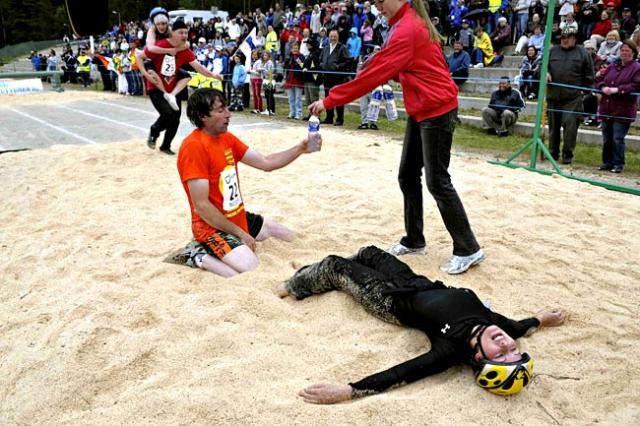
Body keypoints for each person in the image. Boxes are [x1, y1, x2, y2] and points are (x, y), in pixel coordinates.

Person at [310, 0, 484, 275]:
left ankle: (468, 247)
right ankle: (414, 239)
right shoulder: (403, 23)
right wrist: (370, 67)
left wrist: (330, 100)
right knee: (407, 175)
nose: (378, 7)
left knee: (437, 181)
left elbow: (376, 74)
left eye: (381, 1)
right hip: (422, 110)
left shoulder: (407, 28)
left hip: (436, 110)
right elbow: (386, 60)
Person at [276, 246, 566, 404]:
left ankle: (292, 286)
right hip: (417, 283)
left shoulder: (449, 350)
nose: (505, 344)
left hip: (388, 300)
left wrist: (350, 390)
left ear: (479, 357)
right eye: (512, 350)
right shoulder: (497, 326)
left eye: (499, 355)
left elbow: (404, 373)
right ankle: (317, 275)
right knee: (368, 253)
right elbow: (520, 326)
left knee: (334, 265)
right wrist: (541, 319)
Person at [177, 89, 321, 277]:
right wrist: (241, 234)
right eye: (221, 110)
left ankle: (228, 246)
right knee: (252, 272)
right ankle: (199, 255)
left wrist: (301, 149)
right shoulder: (193, 147)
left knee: (290, 237)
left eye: (227, 108)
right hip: (211, 227)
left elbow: (266, 162)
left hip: (236, 217)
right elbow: (202, 207)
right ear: (203, 116)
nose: (229, 114)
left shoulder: (226, 139)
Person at [137, 19, 222, 155]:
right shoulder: (160, 45)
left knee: (175, 118)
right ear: (172, 33)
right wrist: (146, 74)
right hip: (156, 87)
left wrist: (213, 75)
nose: (184, 35)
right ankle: (155, 130)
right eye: (181, 32)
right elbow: (139, 57)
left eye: (186, 32)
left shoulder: (185, 50)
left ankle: (166, 145)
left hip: (173, 89)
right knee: (168, 114)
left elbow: (199, 67)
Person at [547, 27, 594, 164]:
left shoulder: (583, 53)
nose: (565, 40)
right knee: (553, 128)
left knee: (570, 128)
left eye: (568, 37)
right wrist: (545, 73)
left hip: (572, 99)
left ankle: (567, 156)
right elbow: (542, 67)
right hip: (553, 96)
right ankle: (552, 153)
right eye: (562, 38)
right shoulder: (552, 51)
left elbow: (589, 75)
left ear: (575, 38)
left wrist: (583, 92)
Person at [594, 40, 640, 173]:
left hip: (622, 109)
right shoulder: (612, 66)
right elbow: (598, 79)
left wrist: (617, 90)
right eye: (623, 50)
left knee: (617, 138)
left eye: (627, 50)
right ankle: (606, 162)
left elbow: (636, 85)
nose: (624, 53)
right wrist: (603, 87)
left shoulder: (637, 68)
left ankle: (618, 163)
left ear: (633, 53)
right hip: (606, 107)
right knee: (606, 137)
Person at [318, 29, 352, 126]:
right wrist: (322, 65)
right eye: (331, 36)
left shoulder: (342, 48)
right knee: (328, 97)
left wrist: (337, 66)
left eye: (334, 36)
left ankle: (340, 119)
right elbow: (320, 58)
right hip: (327, 77)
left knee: (338, 98)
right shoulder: (326, 48)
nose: (333, 38)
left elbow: (348, 61)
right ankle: (329, 117)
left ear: (338, 37)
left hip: (338, 78)